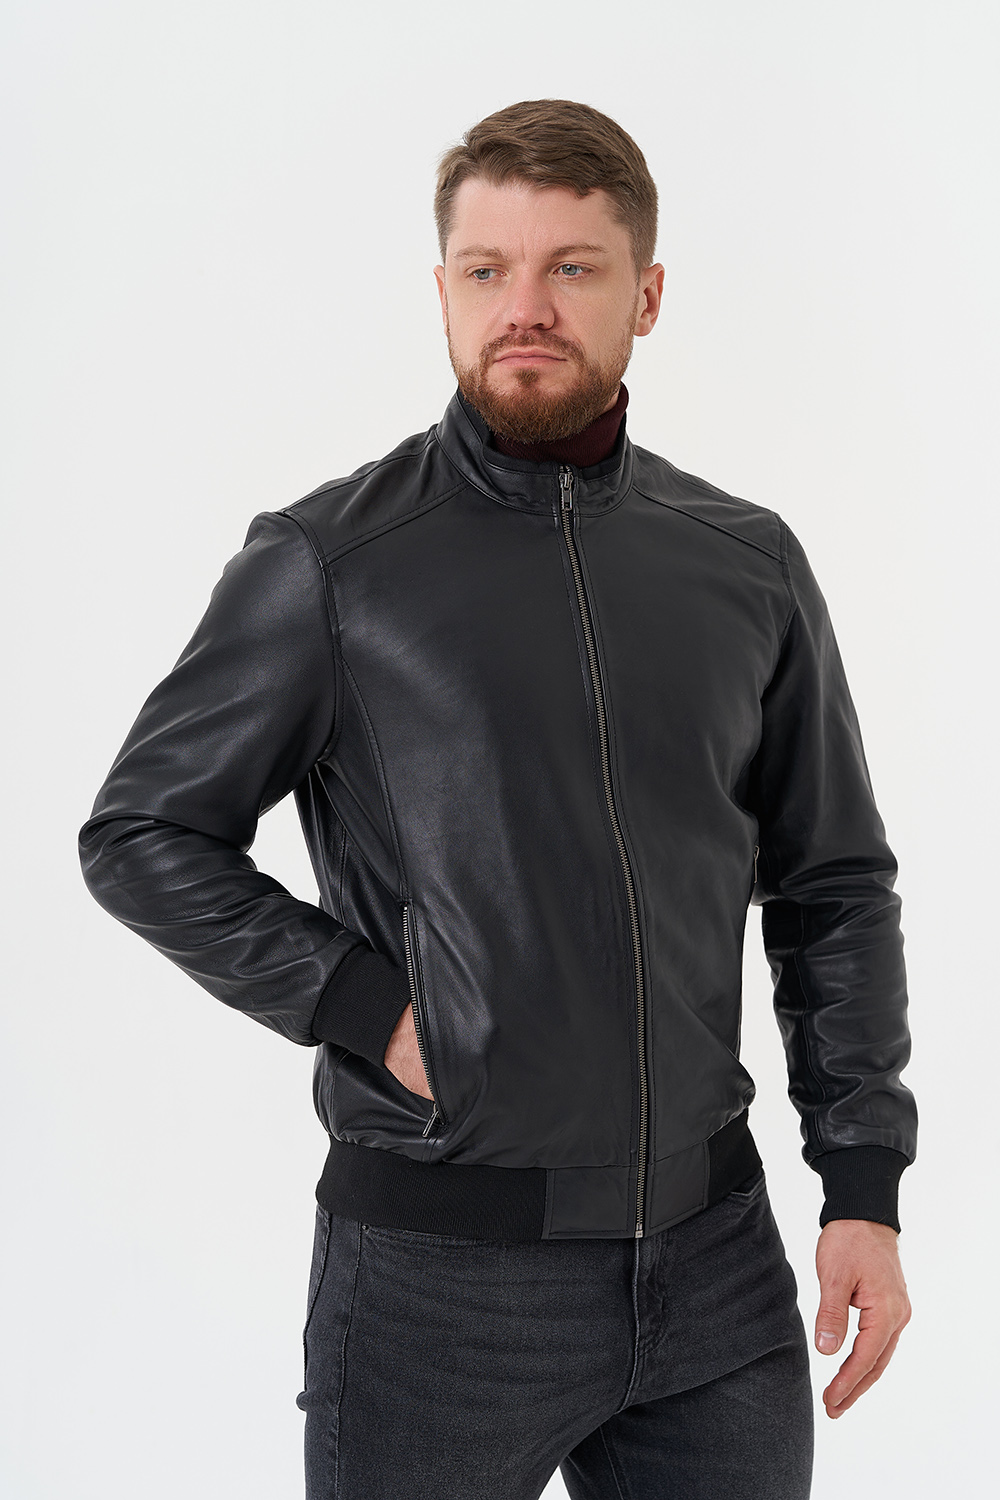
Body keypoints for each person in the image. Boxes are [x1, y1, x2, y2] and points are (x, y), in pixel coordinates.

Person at [79, 99, 916, 1499]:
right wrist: (364, 1006)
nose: (524, 306)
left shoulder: (746, 564)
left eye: (572, 267)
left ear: (647, 294)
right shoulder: (331, 563)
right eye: (488, 269)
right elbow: (142, 832)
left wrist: (864, 1187)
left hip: (716, 1274)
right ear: (444, 293)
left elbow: (832, 886)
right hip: (436, 1290)